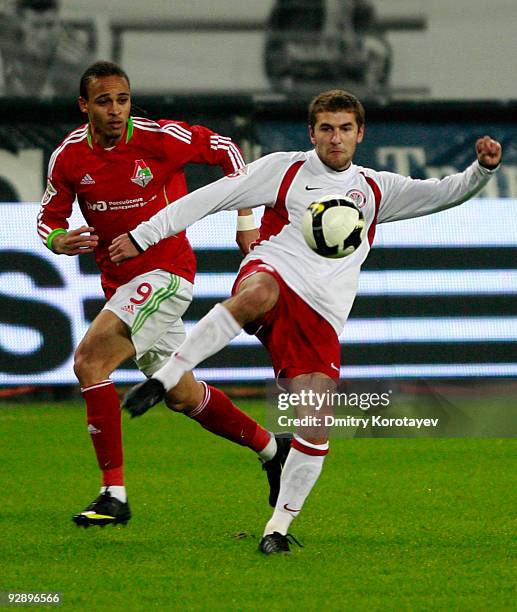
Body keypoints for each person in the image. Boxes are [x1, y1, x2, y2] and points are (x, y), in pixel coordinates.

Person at [109, 89, 502, 554]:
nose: (335, 139)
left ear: (360, 134)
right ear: (311, 133)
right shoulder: (286, 169)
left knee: (314, 425)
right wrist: (143, 234)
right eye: (326, 129)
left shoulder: (377, 189)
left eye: (345, 129)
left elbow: (443, 194)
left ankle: (276, 530)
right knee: (258, 292)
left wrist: (483, 170)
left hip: (322, 314)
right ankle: (167, 376)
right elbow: (211, 197)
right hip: (274, 271)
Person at [37, 60, 291, 529]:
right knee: (181, 394)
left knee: (90, 362)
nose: (115, 110)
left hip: (167, 273)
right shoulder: (69, 157)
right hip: (121, 283)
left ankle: (113, 494)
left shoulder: (158, 139)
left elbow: (228, 151)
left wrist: (246, 222)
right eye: (104, 101)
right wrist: (59, 239)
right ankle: (275, 449)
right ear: (83, 106)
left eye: (123, 99)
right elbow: (48, 218)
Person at [0, 0, 94, 98]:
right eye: (35, 26)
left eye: (50, 25)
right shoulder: (7, 46)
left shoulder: (75, 62)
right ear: (22, 24)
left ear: (58, 22)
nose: (43, 36)